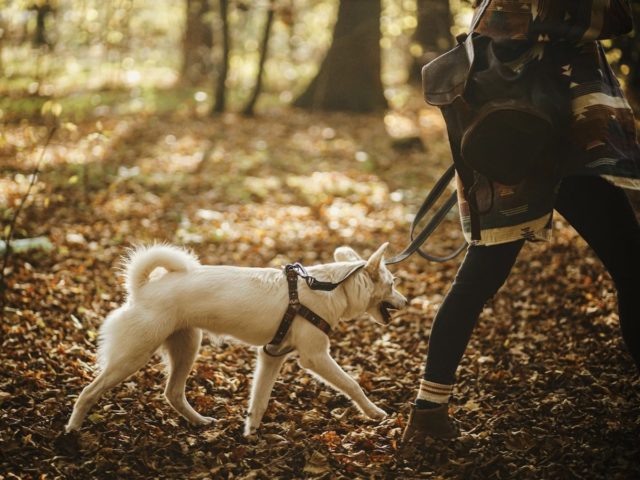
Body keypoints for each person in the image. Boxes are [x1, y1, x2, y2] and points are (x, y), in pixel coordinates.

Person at [401, 0, 640, 445]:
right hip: (526, 140)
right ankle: (427, 415)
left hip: (549, 139)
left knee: (631, 266)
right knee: (480, 280)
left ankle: (428, 414)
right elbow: (615, 20)